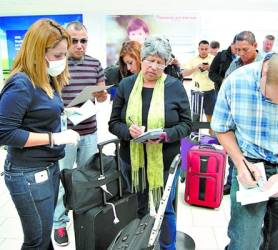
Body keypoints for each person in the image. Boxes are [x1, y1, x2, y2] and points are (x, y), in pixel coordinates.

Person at [0, 19, 80, 250]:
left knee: (44, 237)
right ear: (38, 52)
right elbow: (4, 133)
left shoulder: (44, 79)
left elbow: (36, 112)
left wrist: (63, 111)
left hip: (48, 167)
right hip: (27, 173)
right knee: (36, 241)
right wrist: (53, 138)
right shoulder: (21, 84)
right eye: (57, 55)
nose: (62, 61)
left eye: (64, 54)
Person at [109, 35, 192, 250]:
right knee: (139, 205)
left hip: (164, 161)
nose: (154, 66)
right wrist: (128, 131)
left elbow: (186, 125)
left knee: (166, 209)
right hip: (133, 160)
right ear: (142, 59)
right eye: (150, 60)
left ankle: (168, 246)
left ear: (166, 64)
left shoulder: (174, 87)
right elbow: (113, 123)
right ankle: (140, 242)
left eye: (160, 62)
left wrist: (165, 135)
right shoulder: (126, 85)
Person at [211, 51, 278, 250]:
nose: (277, 107)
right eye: (272, 98)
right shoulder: (236, 82)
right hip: (249, 165)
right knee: (243, 242)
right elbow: (221, 127)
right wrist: (240, 164)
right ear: (265, 72)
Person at [53, 21, 107, 246]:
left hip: (88, 132)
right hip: (64, 134)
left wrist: (102, 95)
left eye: (83, 41)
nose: (79, 45)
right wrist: (63, 110)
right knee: (63, 178)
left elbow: (102, 94)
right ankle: (59, 222)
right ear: (66, 40)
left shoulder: (94, 64)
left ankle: (86, 216)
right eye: (74, 41)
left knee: (88, 177)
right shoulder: (57, 64)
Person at [223, 31, 264, 195]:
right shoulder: (235, 64)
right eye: (237, 50)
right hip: (238, 119)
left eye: (244, 49)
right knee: (235, 154)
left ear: (255, 46)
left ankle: (259, 186)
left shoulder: (267, 64)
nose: (240, 54)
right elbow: (227, 86)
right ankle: (233, 183)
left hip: (259, 121)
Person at [182, 40, 215, 135]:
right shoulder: (192, 60)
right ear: (198, 49)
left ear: (209, 49)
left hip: (210, 91)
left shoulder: (213, 59)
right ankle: (195, 137)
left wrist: (209, 68)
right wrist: (196, 67)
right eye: (202, 49)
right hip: (196, 92)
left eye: (206, 49)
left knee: (211, 116)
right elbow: (184, 74)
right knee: (196, 116)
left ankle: (212, 138)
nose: (204, 51)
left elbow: (219, 73)